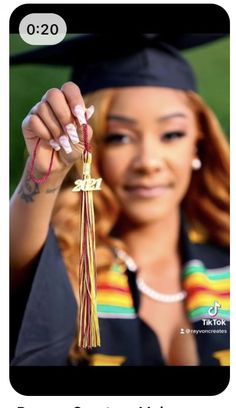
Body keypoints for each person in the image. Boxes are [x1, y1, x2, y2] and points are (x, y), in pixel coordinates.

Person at [10, 34, 229, 367]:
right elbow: (12, 266)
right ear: (92, 148)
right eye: (119, 137)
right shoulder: (69, 274)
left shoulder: (229, 268)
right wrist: (43, 174)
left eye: (172, 134)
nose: (148, 162)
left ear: (199, 143)